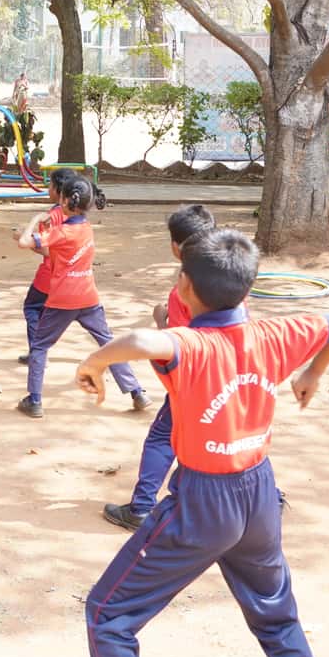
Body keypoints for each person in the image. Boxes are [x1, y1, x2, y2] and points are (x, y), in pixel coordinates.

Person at [75, 229, 329, 657]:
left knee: (108, 616)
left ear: (185, 288)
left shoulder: (191, 344)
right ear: (249, 290)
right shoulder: (276, 335)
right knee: (278, 621)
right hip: (259, 495)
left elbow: (143, 341)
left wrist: (93, 362)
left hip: (203, 501)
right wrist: (314, 372)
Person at [103, 203, 217, 531]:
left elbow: (178, 344)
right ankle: (261, 497)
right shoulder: (232, 281)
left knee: (162, 439)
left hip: (190, 384)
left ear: (175, 247)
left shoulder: (183, 290)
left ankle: (141, 507)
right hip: (227, 376)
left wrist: (160, 321)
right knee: (225, 433)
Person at [15, 170, 148, 419]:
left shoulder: (61, 232)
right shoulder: (86, 228)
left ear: (64, 201)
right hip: (89, 296)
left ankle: (34, 400)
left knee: (40, 346)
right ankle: (136, 391)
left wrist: (35, 221)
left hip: (62, 299)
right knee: (108, 344)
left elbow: (24, 242)